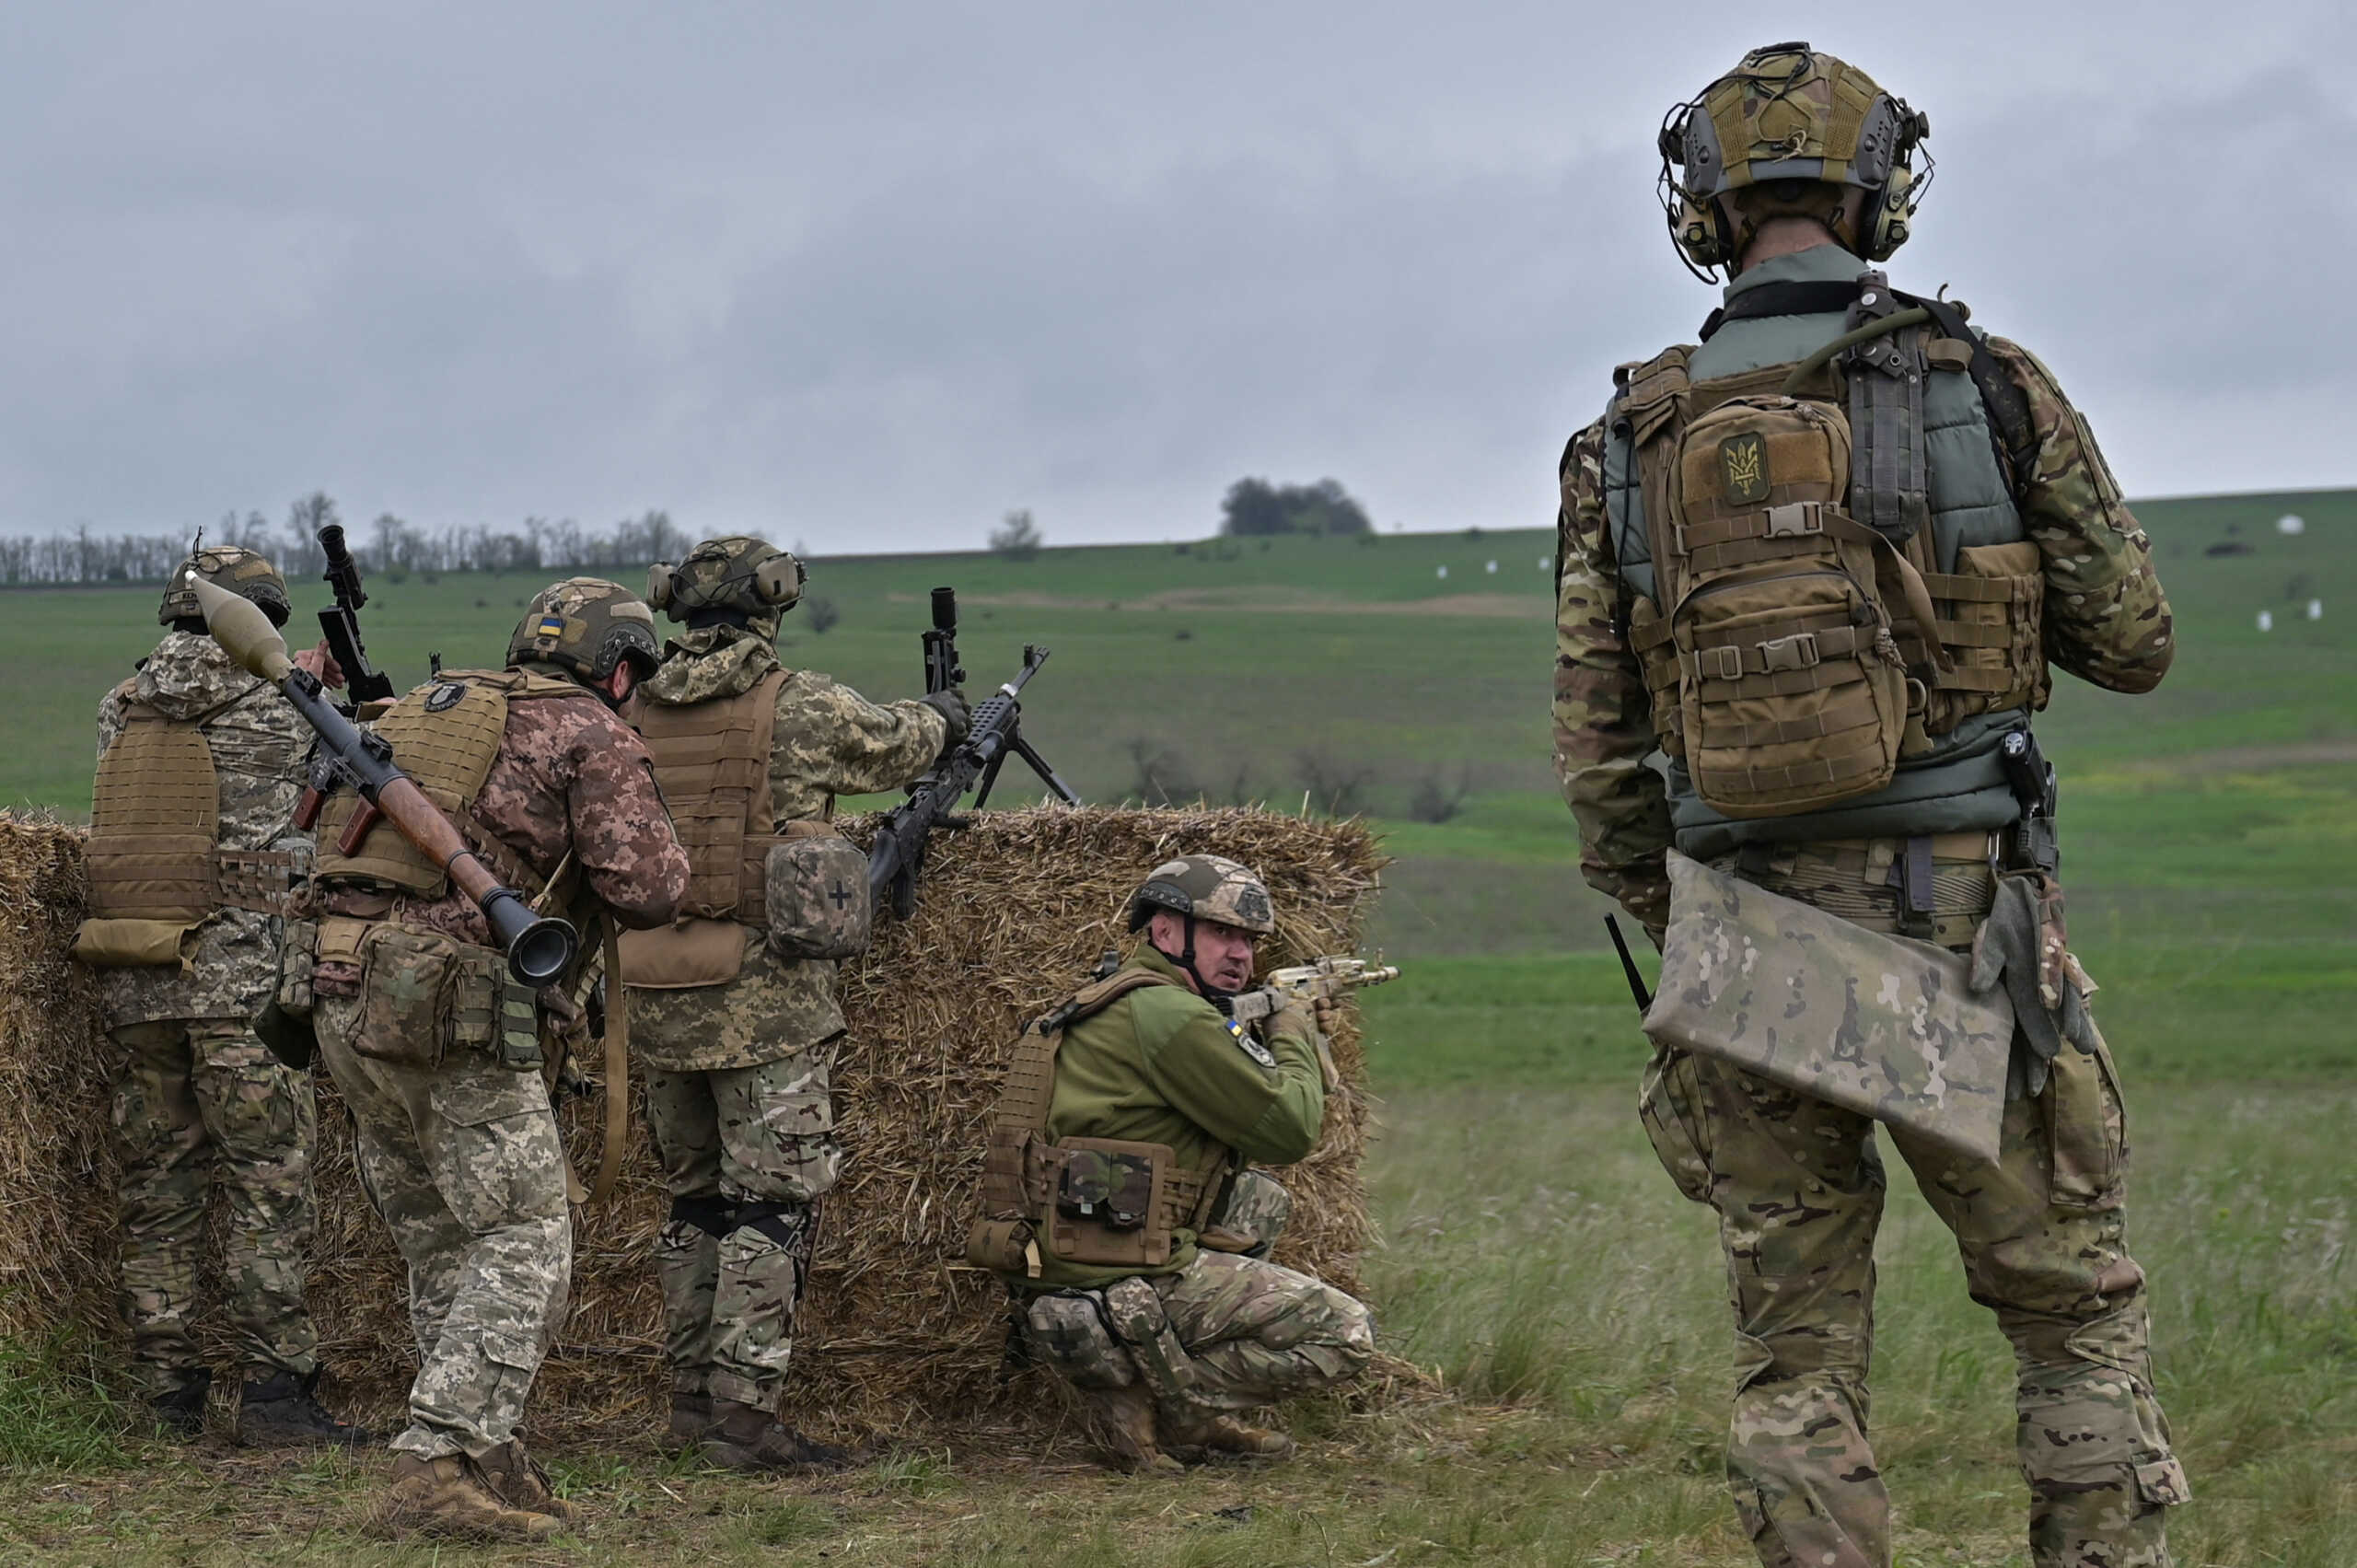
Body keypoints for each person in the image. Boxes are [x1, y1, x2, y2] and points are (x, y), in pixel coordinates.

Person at [1552, 43, 2185, 1568]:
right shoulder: (1993, 382)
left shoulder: (1624, 443)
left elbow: (1598, 759)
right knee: (2072, 1312)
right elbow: (2136, 644)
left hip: (1743, 931)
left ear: (1703, 205)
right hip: (1963, 922)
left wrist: (1688, 918)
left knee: (1796, 1351)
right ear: (1878, 188)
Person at [305, 577, 689, 1541]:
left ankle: (485, 1448)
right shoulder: (587, 729)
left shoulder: (432, 708)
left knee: (442, 1237)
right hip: (447, 1008)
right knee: (526, 1235)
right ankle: (434, 1459)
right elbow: (647, 887)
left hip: (338, 987)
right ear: (621, 666)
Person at [619, 535, 969, 1471]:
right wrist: (945, 710)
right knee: (769, 1208)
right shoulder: (798, 702)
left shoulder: (632, 706)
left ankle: (692, 1402)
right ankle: (746, 1417)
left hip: (655, 992)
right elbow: (907, 744)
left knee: (692, 1204)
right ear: (772, 602)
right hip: (768, 1003)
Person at [74, 545, 365, 1447]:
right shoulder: (286, 700)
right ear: (265, 614)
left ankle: (166, 1388)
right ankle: (276, 1391)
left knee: (161, 1189)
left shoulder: (119, 706)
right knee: (267, 1184)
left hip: (139, 968)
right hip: (246, 984)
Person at [977, 854, 1375, 1475]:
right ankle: (1164, 1396)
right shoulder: (1174, 1017)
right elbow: (1291, 1129)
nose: (1241, 954)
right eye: (1222, 933)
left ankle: (1169, 1398)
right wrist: (1294, 1031)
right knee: (1346, 1334)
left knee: (1259, 1200)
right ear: (1164, 931)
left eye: (1249, 940)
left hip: (1071, 1238)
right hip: (1111, 1259)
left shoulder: (1119, 996)